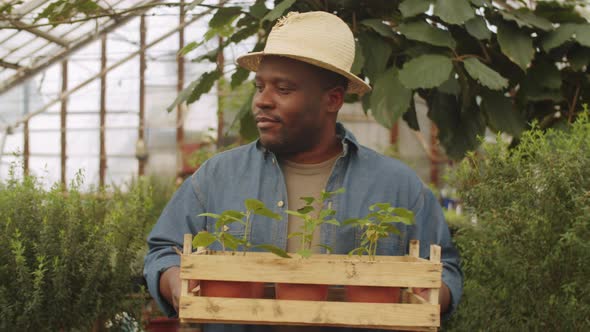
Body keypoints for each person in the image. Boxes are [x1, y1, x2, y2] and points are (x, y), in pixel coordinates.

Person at [144, 11, 463, 332]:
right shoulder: (217, 177)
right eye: (259, 87)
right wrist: (174, 282)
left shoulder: (398, 186)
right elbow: (162, 250)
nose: (262, 101)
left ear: (333, 99)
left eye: (283, 89)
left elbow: (445, 269)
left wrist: (432, 294)